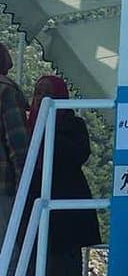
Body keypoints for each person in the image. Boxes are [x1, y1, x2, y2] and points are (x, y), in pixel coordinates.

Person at [23, 76, 101, 276]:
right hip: (33, 209)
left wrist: (50, 132)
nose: (40, 99)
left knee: (64, 266)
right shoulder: (25, 128)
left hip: (65, 213)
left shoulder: (73, 125)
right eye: (37, 93)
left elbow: (78, 154)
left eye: (47, 94)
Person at [0, 44, 27, 241]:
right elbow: (18, 144)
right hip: (3, 186)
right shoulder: (6, 91)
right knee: (7, 251)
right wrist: (24, 185)